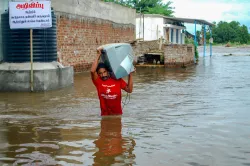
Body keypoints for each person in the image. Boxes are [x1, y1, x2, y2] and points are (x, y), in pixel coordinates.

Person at [91, 47, 134, 116]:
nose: (103, 75)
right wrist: (98, 55)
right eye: (100, 73)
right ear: (98, 74)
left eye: (104, 72)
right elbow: (92, 71)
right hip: (105, 116)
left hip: (117, 115)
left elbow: (129, 90)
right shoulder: (98, 81)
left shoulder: (117, 79)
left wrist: (130, 74)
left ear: (108, 71)